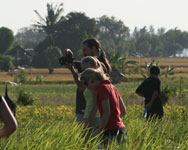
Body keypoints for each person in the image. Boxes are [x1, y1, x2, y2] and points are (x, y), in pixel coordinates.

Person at [63, 38, 111, 122]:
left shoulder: (96, 66)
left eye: (85, 50)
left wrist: (72, 70)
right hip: (87, 110)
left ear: (94, 49)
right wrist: (68, 55)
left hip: (90, 111)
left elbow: (82, 86)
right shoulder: (92, 63)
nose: (83, 53)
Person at [80, 68, 126, 146]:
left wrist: (100, 130)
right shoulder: (112, 87)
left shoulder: (101, 88)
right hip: (121, 129)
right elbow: (123, 111)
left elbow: (107, 112)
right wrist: (107, 122)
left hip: (110, 131)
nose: (87, 88)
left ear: (92, 80)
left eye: (86, 84)